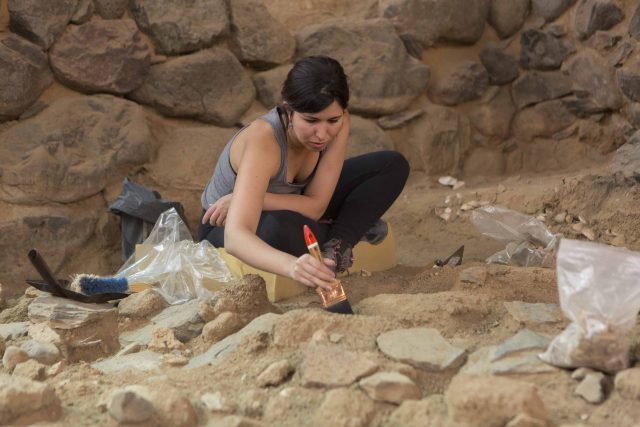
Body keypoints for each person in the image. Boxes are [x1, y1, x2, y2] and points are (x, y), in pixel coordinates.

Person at [198, 55, 409, 291]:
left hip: (297, 207)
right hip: (226, 225)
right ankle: (352, 226)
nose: (322, 134)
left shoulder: (338, 120)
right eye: (311, 120)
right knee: (278, 229)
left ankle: (337, 245)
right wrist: (292, 266)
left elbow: (317, 204)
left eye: (332, 120)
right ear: (289, 110)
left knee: (391, 165)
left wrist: (254, 199)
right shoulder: (264, 141)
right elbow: (235, 238)